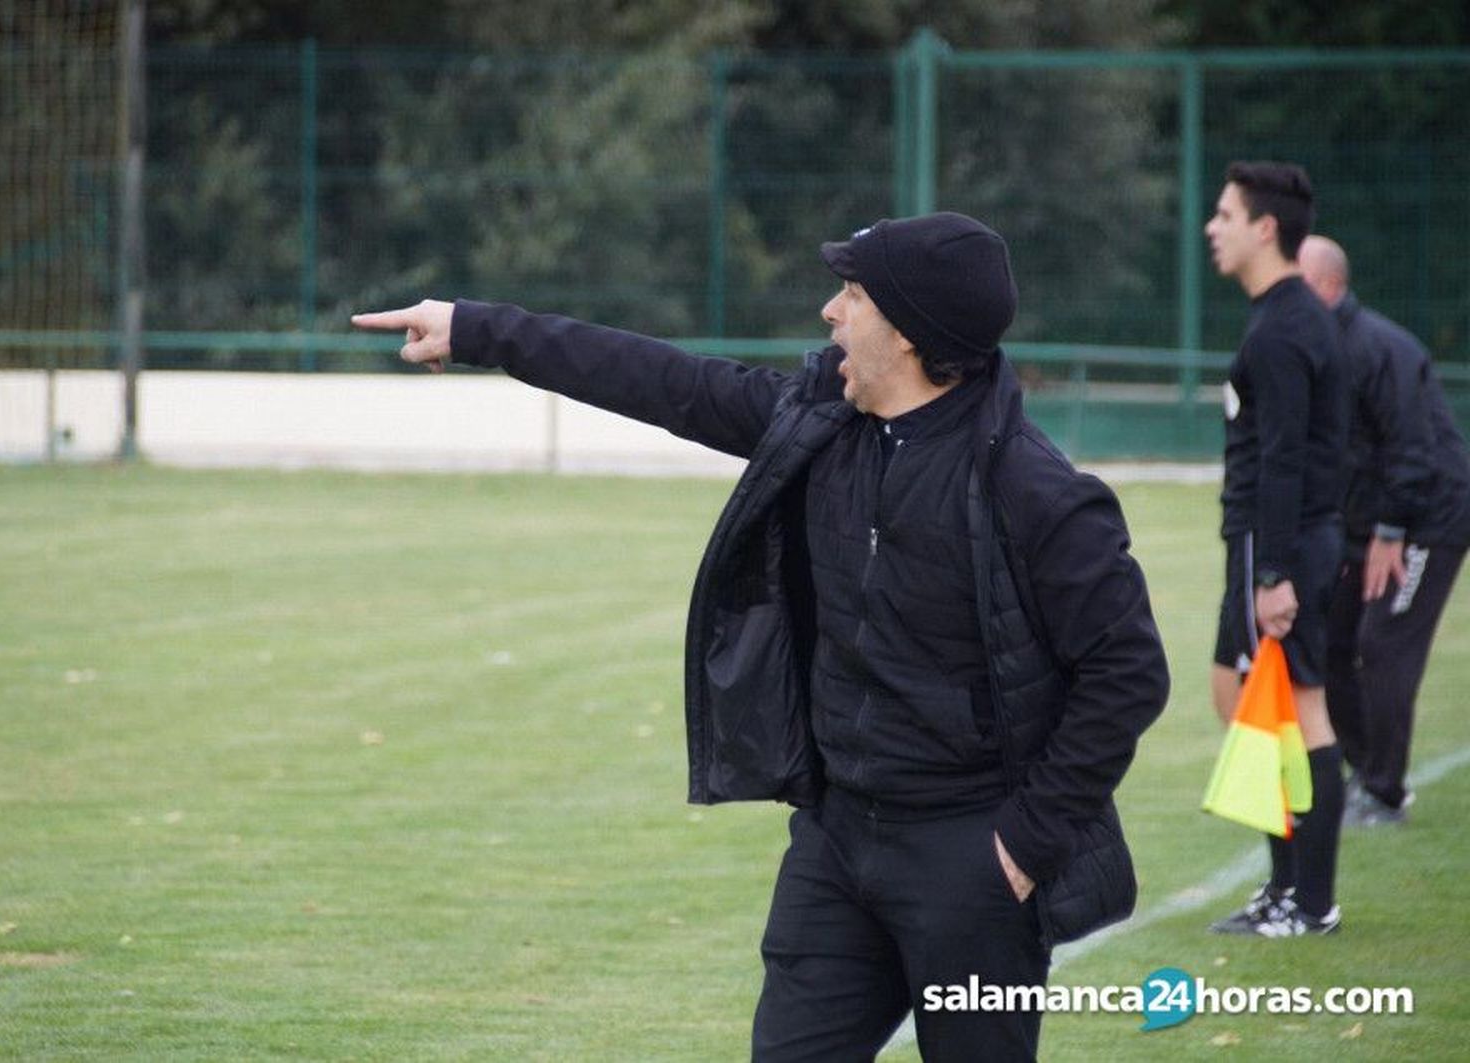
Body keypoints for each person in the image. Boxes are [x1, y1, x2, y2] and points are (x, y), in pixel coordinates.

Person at [354, 212, 1168, 1060]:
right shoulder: (814, 424)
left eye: (852, 294)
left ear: (911, 334)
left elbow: (1128, 672)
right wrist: (481, 329)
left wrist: (1027, 841)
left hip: (972, 864)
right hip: (837, 843)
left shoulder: (1035, 490)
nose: (830, 311)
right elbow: (663, 380)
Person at [1203, 162, 1350, 937]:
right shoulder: (1278, 317)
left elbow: (1287, 458)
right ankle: (1286, 886)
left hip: (1282, 546)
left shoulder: (1287, 326)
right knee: (1242, 700)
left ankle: (1311, 900)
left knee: (1302, 713)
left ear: (1266, 227)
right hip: (1271, 542)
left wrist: (1274, 572)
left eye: (1225, 214)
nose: (1211, 227)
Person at [1298, 234, 1470, 826]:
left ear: (1326, 285)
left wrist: (1392, 530)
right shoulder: (1317, 349)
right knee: (1331, 638)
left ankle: (1384, 792)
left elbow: (1412, 447)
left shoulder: (1377, 346)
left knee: (1384, 642)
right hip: (1369, 524)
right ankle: (1365, 767)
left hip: (1429, 517)